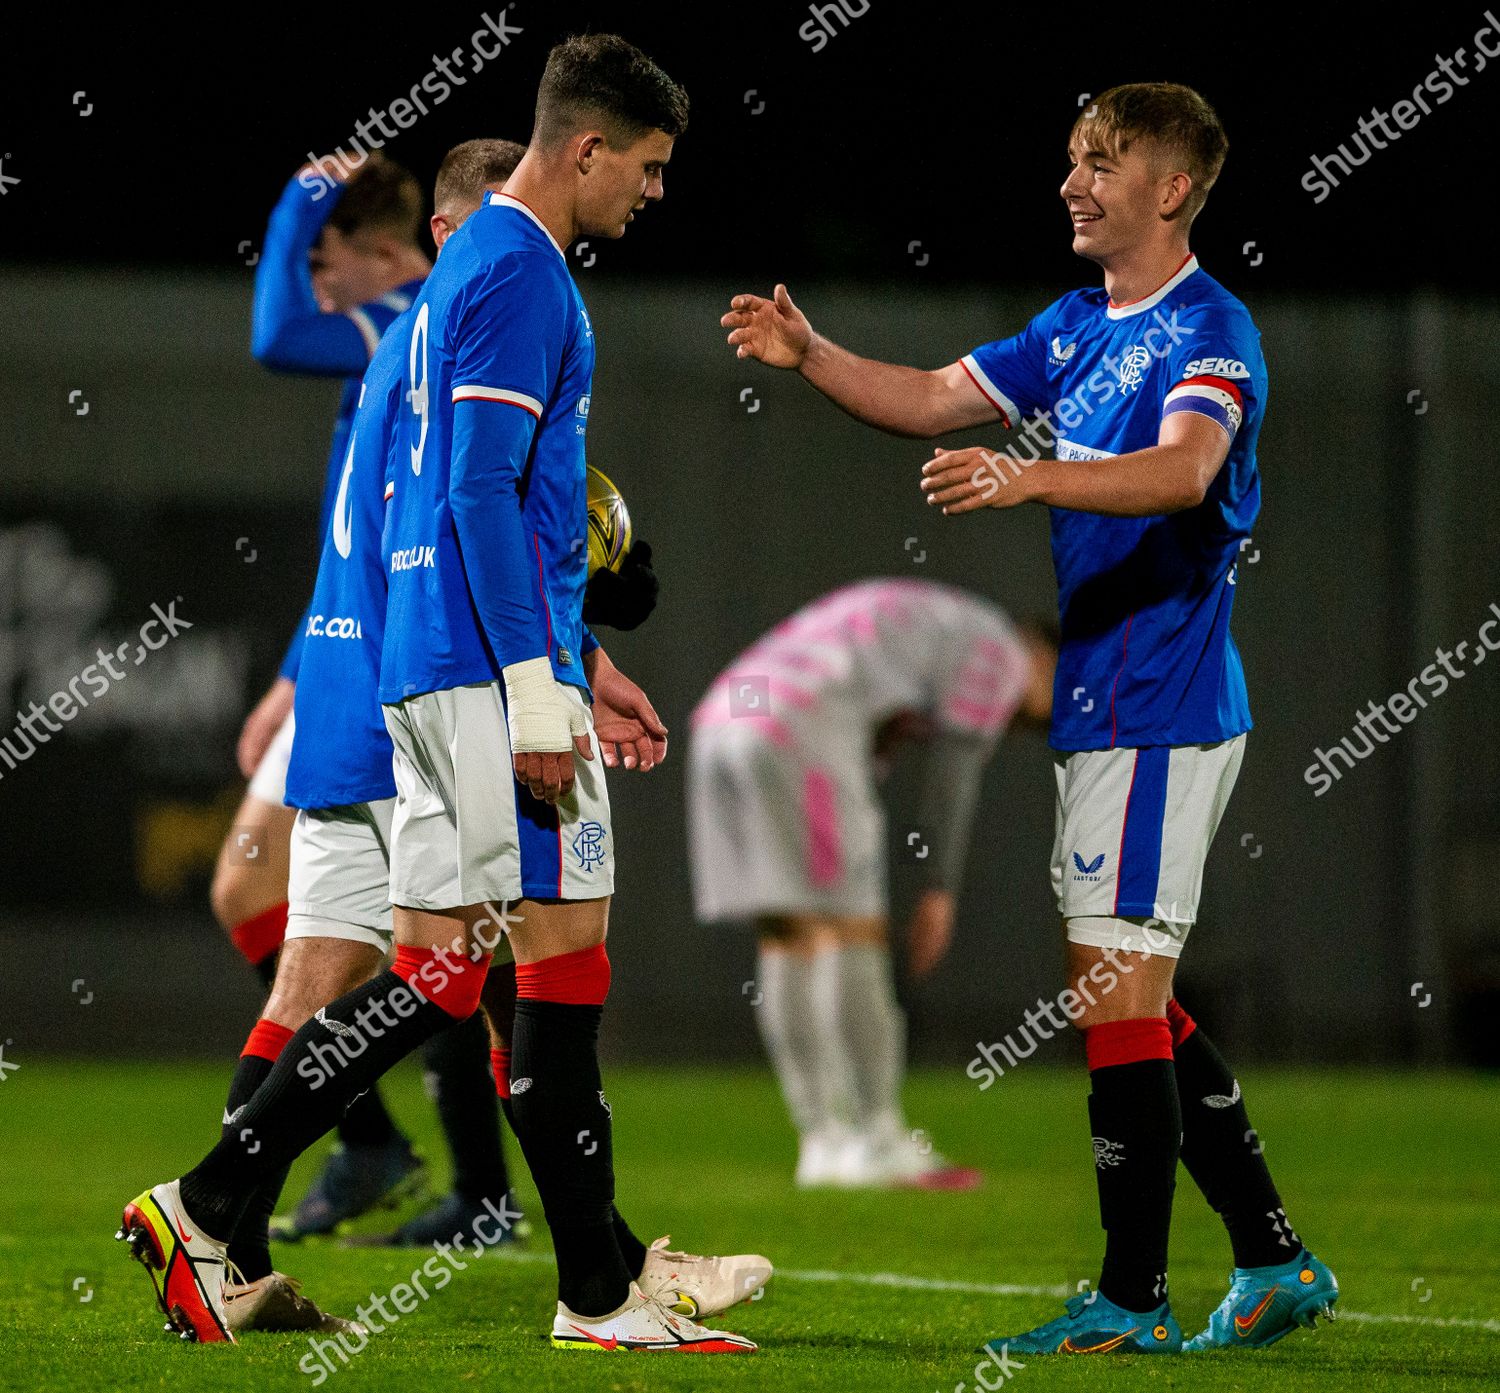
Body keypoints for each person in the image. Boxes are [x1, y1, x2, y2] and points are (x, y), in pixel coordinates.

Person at [120, 36, 766, 1355]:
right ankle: (213, 1199)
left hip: (438, 661)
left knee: (492, 957)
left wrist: (577, 660)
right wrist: (539, 685)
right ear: (586, 147)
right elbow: (476, 489)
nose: (653, 192)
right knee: (460, 969)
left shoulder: (455, 274)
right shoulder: (519, 270)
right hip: (473, 672)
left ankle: (594, 1275)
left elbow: (478, 498)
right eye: (646, 167)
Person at [722, 81, 1337, 1356]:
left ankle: (1132, 1299)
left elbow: (1184, 472)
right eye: (1071, 158)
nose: (1073, 182)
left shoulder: (1210, 327)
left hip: (1165, 710)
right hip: (1108, 712)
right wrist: (813, 352)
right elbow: (936, 396)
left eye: (1102, 162)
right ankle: (1274, 1260)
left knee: (1115, 996)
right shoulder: (1070, 325)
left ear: (1172, 188)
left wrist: (1028, 475)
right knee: (1133, 998)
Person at [216, 153, 431, 1235]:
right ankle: (359, 1152)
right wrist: (299, 670)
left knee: (446, 955)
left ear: (386, 256)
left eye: (324, 260)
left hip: (405, 671)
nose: (316, 284)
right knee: (426, 954)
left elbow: (273, 336)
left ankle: (456, 1183)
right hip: (352, 661)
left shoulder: (402, 313)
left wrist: (296, 191)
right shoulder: (399, 331)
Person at [689, 579, 1054, 1188]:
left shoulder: (936, 620)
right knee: (852, 932)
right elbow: (955, 774)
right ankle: (879, 1138)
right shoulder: (1004, 650)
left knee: (788, 935)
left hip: (729, 714)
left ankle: (821, 1143)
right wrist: (939, 886)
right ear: (1045, 653)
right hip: (801, 721)